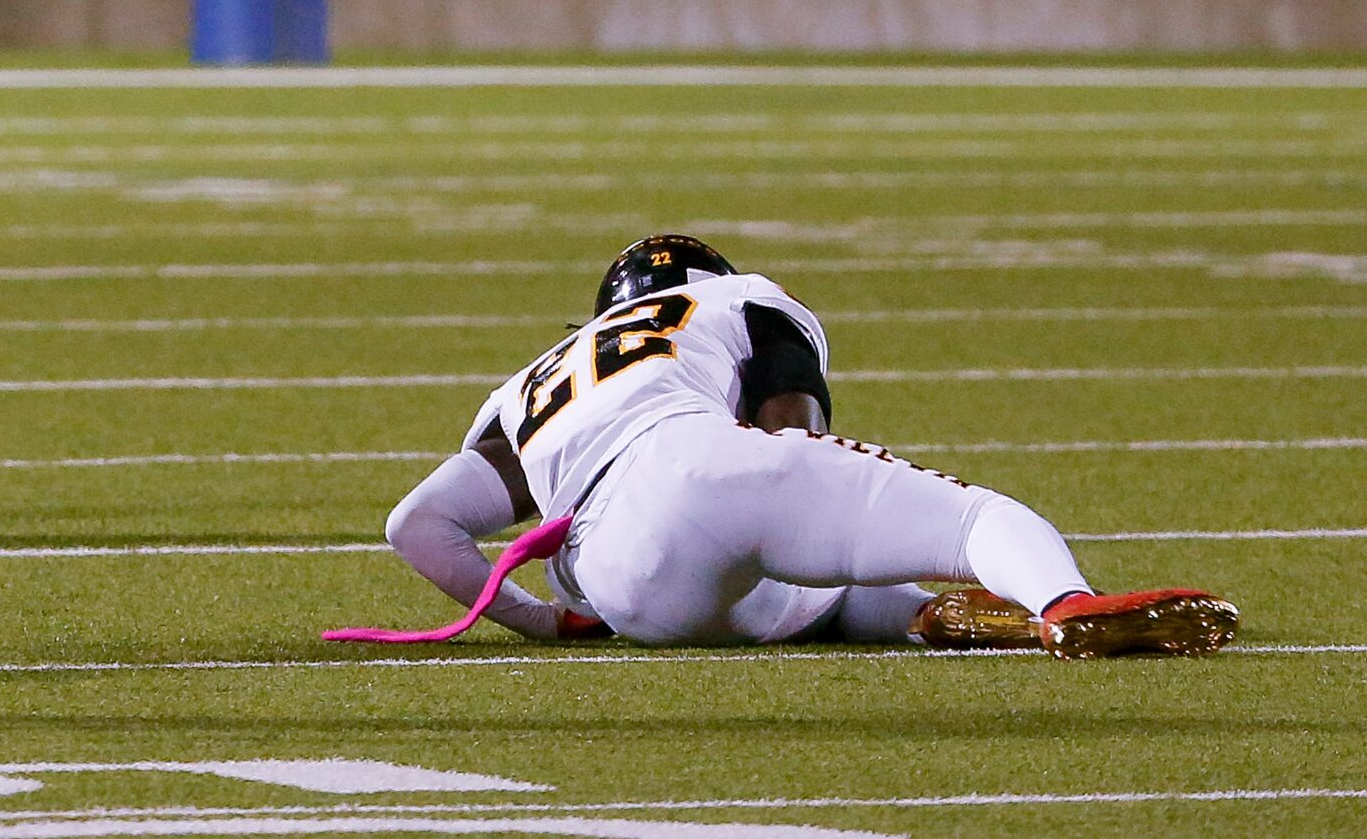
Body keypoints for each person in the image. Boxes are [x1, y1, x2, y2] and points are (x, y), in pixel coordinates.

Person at [374, 234, 1238, 657]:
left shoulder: (529, 383)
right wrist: (799, 475)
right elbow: (789, 413)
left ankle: (927, 615)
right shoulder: (729, 300)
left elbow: (417, 526)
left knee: (801, 596)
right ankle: (1063, 604)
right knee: (974, 518)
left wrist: (546, 624)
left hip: (624, 591)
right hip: (704, 467)